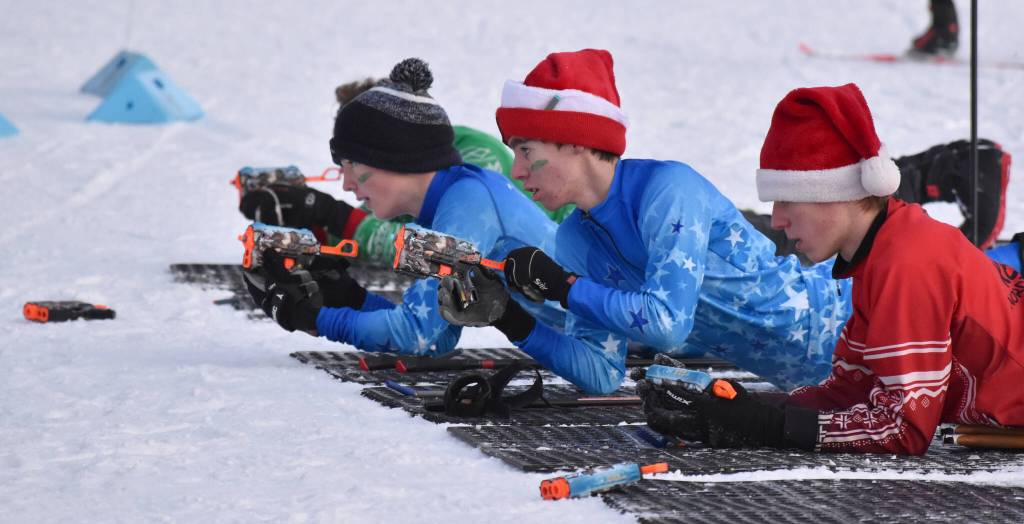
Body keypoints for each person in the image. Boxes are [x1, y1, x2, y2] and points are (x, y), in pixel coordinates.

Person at [438, 49, 856, 392]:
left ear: (574, 142)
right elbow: (599, 372)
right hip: (830, 381)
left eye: (525, 150)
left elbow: (668, 324)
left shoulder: (667, 189)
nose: (516, 171)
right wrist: (509, 317)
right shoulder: (576, 238)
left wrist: (566, 288)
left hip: (860, 319)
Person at [638, 83, 1024, 455]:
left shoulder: (908, 262)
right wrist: (737, 406)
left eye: (787, 200)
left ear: (833, 195)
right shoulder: (884, 249)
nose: (776, 221)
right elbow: (849, 391)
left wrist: (763, 426)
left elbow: (904, 428)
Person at [242, 58, 571, 358]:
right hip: (570, 330)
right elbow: (436, 337)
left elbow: (412, 332)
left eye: (353, 164)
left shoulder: (467, 192)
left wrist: (314, 318)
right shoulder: (442, 194)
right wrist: (346, 296)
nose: (346, 184)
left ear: (392, 155)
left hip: (597, 330)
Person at [239, 79, 574, 269]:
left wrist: (333, 214)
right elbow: (366, 234)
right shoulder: (403, 177)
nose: (349, 172)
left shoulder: (474, 156)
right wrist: (301, 227)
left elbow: (446, 249)